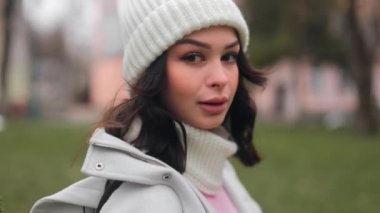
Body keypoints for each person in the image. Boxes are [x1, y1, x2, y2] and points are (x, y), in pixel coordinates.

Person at [30, 0, 266, 212]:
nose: (221, 78)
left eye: (229, 57)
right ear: (150, 72)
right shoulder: (147, 202)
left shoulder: (218, 171)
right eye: (193, 57)